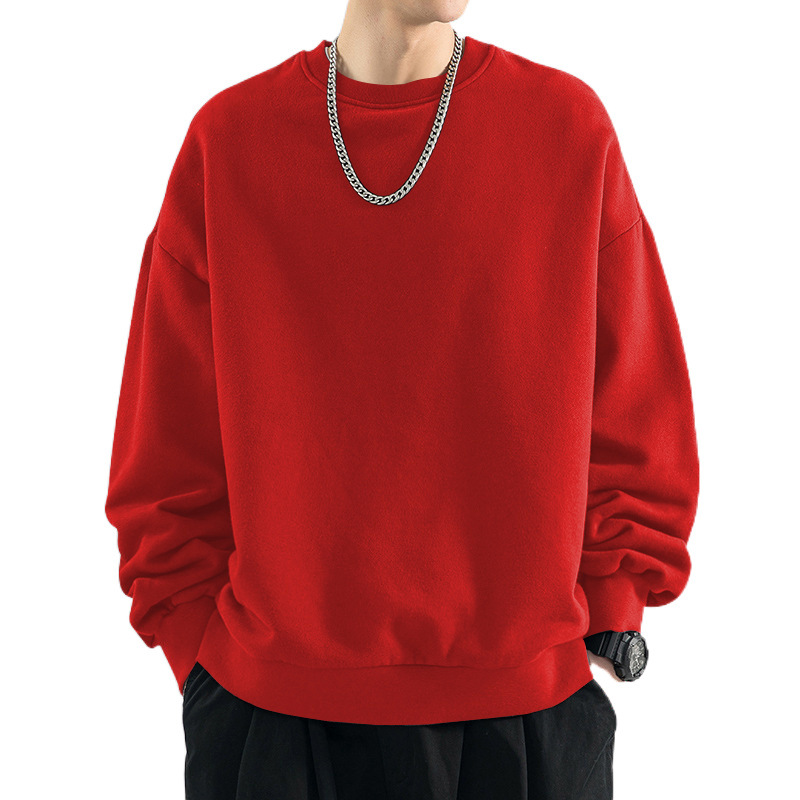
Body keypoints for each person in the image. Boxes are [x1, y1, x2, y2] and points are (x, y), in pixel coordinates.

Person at [104, 1, 700, 798]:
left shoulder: (565, 129)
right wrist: (202, 657)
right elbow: (166, 444)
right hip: (272, 724)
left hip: (526, 720)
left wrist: (613, 606)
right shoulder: (231, 141)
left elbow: (637, 408)